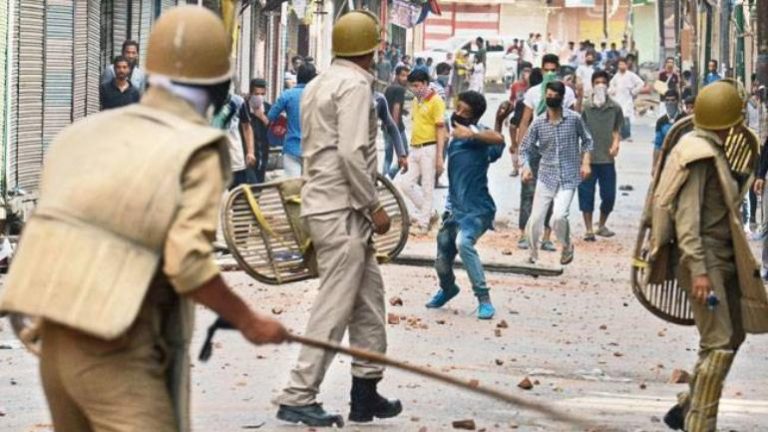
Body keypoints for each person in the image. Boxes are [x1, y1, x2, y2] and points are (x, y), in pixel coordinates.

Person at [0, 7, 288, 432]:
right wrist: (249, 320)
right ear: (216, 87)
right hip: (115, 348)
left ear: (145, 72)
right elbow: (188, 264)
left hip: (51, 341)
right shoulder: (197, 149)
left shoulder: (81, 135)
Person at [273, 11, 401, 427]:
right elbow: (350, 153)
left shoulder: (318, 83)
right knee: (334, 305)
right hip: (342, 209)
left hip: (326, 204)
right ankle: (298, 394)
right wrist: (374, 206)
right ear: (371, 50)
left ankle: (366, 391)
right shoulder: (355, 85)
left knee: (369, 302)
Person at [655, 82, 768, 432]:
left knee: (731, 337)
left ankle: (689, 405)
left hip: (724, 260)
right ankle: (699, 424)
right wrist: (700, 271)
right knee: (718, 346)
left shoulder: (711, 149)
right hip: (705, 262)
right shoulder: (698, 155)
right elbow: (688, 222)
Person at [426, 91, 506, 320]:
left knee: (464, 243)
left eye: (465, 112)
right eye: (458, 108)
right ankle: (448, 288)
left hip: (478, 211)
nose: (458, 114)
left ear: (473, 118)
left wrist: (472, 133)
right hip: (454, 211)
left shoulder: (478, 136)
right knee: (442, 260)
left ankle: (484, 299)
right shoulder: (454, 136)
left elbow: (498, 141)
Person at [520, 81, 593, 265]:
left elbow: (587, 140)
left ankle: (566, 245)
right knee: (535, 219)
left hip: (568, 176)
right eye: (549, 95)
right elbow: (524, 148)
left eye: (555, 96)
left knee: (559, 216)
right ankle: (533, 253)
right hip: (546, 175)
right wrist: (526, 166)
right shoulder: (538, 123)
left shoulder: (574, 119)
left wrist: (586, 162)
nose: (551, 98)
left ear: (561, 98)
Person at [398, 68, 447, 234]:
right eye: (412, 86)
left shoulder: (436, 101)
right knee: (405, 184)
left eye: (417, 85)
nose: (414, 88)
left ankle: (423, 224)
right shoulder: (415, 101)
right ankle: (430, 213)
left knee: (427, 186)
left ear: (426, 83)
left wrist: (440, 156)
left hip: (430, 147)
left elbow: (441, 129)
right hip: (415, 147)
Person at [578, 70, 624, 241]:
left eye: (603, 82)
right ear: (592, 84)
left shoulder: (615, 108)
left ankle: (602, 224)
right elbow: (580, 131)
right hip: (587, 159)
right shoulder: (586, 108)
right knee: (586, 194)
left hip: (607, 159)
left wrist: (616, 143)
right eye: (597, 82)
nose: (600, 86)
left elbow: (616, 129)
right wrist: (584, 158)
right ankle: (588, 229)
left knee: (609, 195)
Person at [268, 64, 317, 177]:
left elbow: (271, 116)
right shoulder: (319, 95)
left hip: (292, 147)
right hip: (313, 149)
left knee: (292, 189)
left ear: (298, 77)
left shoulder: (287, 95)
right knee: (311, 188)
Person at [211, 92, 256, 188]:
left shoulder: (237, 102)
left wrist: (250, 152)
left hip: (235, 160)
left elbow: (247, 127)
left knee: (238, 197)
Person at [384, 66, 411, 179]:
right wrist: (394, 128)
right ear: (397, 75)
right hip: (396, 127)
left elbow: (387, 106)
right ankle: (390, 175)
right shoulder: (400, 90)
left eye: (407, 76)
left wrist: (402, 111)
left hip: (385, 126)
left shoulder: (388, 88)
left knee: (388, 156)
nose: (405, 78)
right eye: (403, 75)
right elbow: (395, 108)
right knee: (404, 154)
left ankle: (384, 179)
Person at [609, 58, 644, 141]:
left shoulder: (631, 75)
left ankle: (627, 135)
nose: (621, 66)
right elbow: (611, 85)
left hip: (627, 98)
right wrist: (612, 91)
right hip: (617, 98)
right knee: (618, 117)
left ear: (626, 65)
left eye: (623, 64)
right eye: (620, 64)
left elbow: (641, 83)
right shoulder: (616, 76)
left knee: (626, 116)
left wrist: (633, 92)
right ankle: (620, 135)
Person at [375, 91, 407, 176]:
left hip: (367, 156)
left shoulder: (378, 99)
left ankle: (386, 178)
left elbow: (392, 127)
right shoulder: (341, 94)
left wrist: (401, 154)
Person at [247, 78, 272, 183]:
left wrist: (262, 117)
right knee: (252, 185)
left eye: (262, 94)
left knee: (260, 185)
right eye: (257, 94)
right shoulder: (244, 107)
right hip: (248, 155)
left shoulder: (268, 108)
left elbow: (274, 130)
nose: (259, 97)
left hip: (263, 152)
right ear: (251, 93)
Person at [653, 90, 684, 173]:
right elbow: (657, 145)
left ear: (678, 101)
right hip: (666, 160)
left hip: (683, 159)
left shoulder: (684, 119)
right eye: (667, 100)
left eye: (673, 100)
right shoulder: (661, 121)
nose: (670, 103)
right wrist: (654, 166)